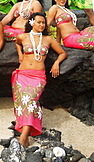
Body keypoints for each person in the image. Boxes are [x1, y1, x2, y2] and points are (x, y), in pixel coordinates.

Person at [12, 12, 67, 147]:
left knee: (31, 101)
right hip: (23, 74)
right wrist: (20, 54)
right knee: (23, 103)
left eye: (43, 22)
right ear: (32, 23)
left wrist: (56, 63)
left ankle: (24, 135)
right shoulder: (23, 36)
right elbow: (17, 43)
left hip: (38, 76)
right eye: (39, 22)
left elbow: (62, 53)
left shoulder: (48, 39)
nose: (42, 25)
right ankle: (25, 132)